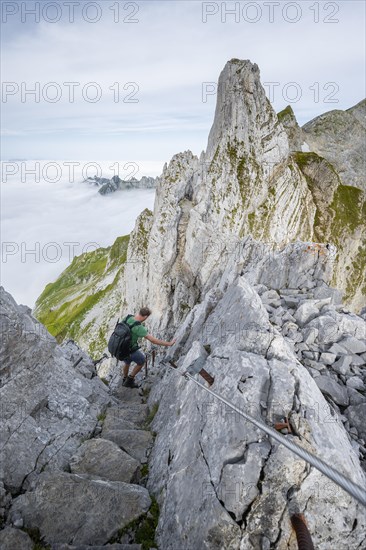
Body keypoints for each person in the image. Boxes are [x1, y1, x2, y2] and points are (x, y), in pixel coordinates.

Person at [120, 307, 176, 388]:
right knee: (142, 361)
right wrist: (169, 343)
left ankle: (124, 379)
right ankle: (129, 380)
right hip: (129, 349)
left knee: (127, 362)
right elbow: (154, 341)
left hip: (121, 347)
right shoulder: (139, 327)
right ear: (145, 317)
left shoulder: (128, 317)